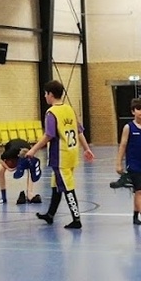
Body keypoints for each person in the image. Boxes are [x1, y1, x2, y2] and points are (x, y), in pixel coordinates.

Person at [24, 79, 94, 228]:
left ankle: (76, 219)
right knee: (56, 185)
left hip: (60, 156)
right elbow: (79, 131)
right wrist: (87, 148)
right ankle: (50, 215)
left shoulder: (51, 113)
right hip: (72, 154)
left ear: (50, 94)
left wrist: (33, 149)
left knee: (68, 188)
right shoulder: (69, 109)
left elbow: (48, 135)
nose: (44, 96)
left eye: (45, 94)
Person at [0, 138, 42, 204]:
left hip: (24, 147)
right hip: (12, 148)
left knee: (31, 168)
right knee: (0, 169)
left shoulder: (29, 153)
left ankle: (29, 194)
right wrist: (9, 168)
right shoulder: (9, 153)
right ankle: (3, 197)